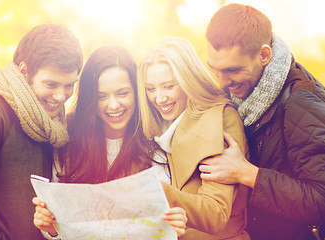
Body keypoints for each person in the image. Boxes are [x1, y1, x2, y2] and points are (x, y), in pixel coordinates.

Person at [32, 46, 187, 239]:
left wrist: (176, 225)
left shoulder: (156, 145)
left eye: (122, 93)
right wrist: (50, 228)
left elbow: (163, 223)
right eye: (101, 96)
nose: (113, 105)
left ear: (137, 92)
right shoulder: (68, 144)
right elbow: (58, 225)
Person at [200, 3, 325, 240]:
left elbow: (321, 201)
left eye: (232, 70)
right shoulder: (242, 95)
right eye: (215, 70)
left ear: (264, 55)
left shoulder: (301, 102)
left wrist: (247, 174)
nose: (222, 83)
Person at [0, 24, 83, 240]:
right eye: (51, 84)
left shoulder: (51, 123)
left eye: (69, 85)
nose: (61, 97)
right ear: (24, 70)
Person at [137, 36, 250, 239]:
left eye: (169, 86)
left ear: (188, 80)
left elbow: (216, 214)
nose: (159, 98)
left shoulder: (219, 118)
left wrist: (156, 191)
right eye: (151, 89)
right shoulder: (160, 127)